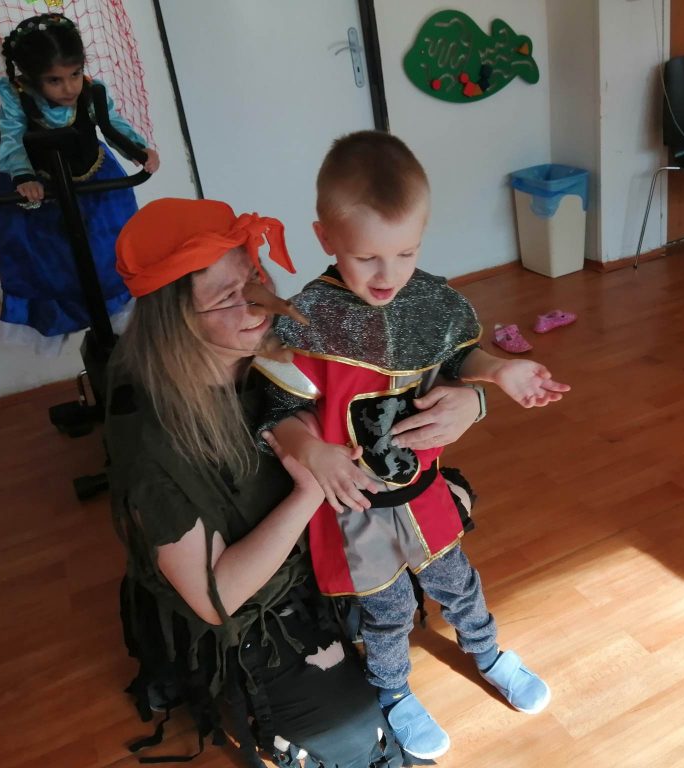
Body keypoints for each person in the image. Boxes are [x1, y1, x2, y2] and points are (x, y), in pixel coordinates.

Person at [107, 197, 484, 767]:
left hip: (334, 538)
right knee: (352, 739)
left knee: (443, 515)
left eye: (254, 278)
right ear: (174, 323)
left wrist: (472, 399)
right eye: (226, 297)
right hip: (260, 601)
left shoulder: (284, 348)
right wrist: (309, 490)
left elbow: (407, 370)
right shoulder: (152, 444)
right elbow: (218, 598)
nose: (257, 302)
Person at [254, 131, 570, 761]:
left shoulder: (429, 300)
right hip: (357, 509)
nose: (389, 275)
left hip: (424, 489)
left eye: (406, 252)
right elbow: (277, 409)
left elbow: (456, 358)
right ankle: (394, 692)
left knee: (459, 582)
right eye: (367, 257)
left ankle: (488, 652)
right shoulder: (308, 319)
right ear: (325, 238)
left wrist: (497, 372)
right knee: (388, 610)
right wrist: (309, 450)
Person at [0, 12, 159, 353]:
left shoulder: (90, 90)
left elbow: (111, 124)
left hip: (96, 177)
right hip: (40, 185)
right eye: (54, 80)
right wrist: (24, 177)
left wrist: (137, 150)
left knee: (111, 246)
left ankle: (118, 315)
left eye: (74, 74)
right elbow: (11, 138)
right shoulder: (17, 96)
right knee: (51, 255)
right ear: (31, 78)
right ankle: (64, 314)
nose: (69, 87)